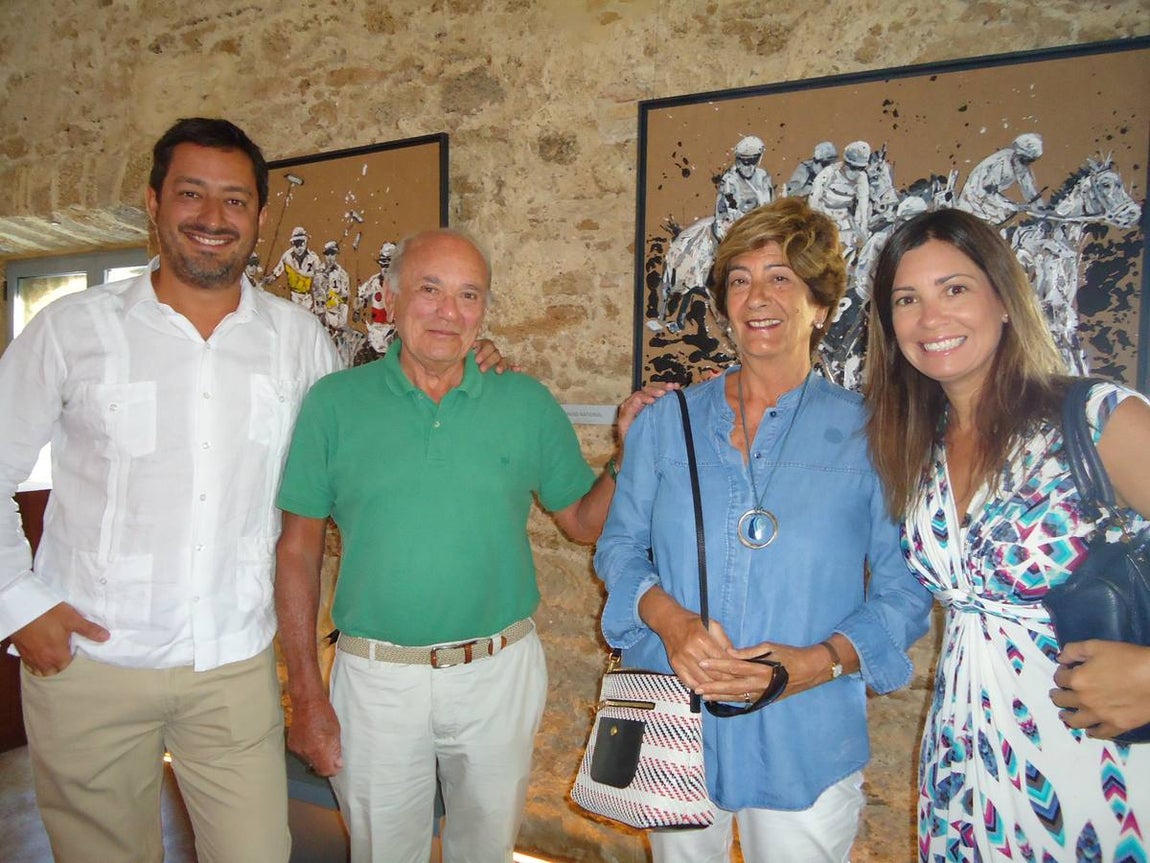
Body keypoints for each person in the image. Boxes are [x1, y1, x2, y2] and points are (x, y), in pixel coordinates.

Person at [0, 118, 340, 863]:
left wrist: (457, 374)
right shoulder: (70, 329)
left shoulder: (298, 342)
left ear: (258, 216)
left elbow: (357, 457)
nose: (213, 217)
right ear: (154, 202)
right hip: (90, 662)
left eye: (235, 200)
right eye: (191, 194)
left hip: (232, 665)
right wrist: (17, 604)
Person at [274, 228, 672, 863]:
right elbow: (297, 551)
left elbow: (582, 521)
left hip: (498, 674)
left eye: (468, 295)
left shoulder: (523, 401)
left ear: (484, 309)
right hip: (376, 680)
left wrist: (627, 451)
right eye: (429, 290)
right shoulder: (335, 404)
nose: (448, 312)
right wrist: (305, 691)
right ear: (391, 298)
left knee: (486, 851)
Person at [595, 197, 933, 863]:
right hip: (676, 721)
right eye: (740, 279)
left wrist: (815, 663)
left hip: (803, 733)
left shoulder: (874, 433)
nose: (757, 297)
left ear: (821, 305)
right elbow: (619, 546)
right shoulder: (667, 423)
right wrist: (671, 622)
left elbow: (905, 591)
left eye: (781, 277)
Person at [864, 207, 1150, 860]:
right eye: (907, 299)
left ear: (1003, 300)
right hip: (965, 766)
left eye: (954, 288)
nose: (930, 317)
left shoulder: (1096, 419)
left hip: (1094, 767)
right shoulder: (920, 445)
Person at [956, 132, 1046, 225]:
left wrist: (1040, 208)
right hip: (975, 199)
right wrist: (1014, 206)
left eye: (1030, 161)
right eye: (1026, 160)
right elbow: (988, 191)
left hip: (989, 199)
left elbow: (1029, 189)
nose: (1027, 164)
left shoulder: (1020, 165)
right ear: (1018, 154)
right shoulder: (1001, 163)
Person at [808, 140, 872, 259]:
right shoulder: (829, 172)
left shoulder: (862, 178)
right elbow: (814, 199)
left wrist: (862, 228)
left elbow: (863, 206)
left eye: (860, 168)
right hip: (823, 214)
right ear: (845, 162)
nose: (855, 172)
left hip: (844, 217)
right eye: (852, 167)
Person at [715, 135, 774, 230]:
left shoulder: (763, 176)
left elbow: (770, 204)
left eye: (753, 160)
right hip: (732, 225)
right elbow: (731, 213)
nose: (750, 166)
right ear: (738, 160)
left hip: (761, 223)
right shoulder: (730, 180)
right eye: (746, 161)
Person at [267, 225, 323, 311]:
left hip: (307, 297)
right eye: (296, 244)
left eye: (302, 243)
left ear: (306, 242)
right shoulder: (287, 257)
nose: (299, 247)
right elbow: (277, 271)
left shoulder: (314, 259)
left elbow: (319, 279)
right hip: (293, 295)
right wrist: (270, 278)